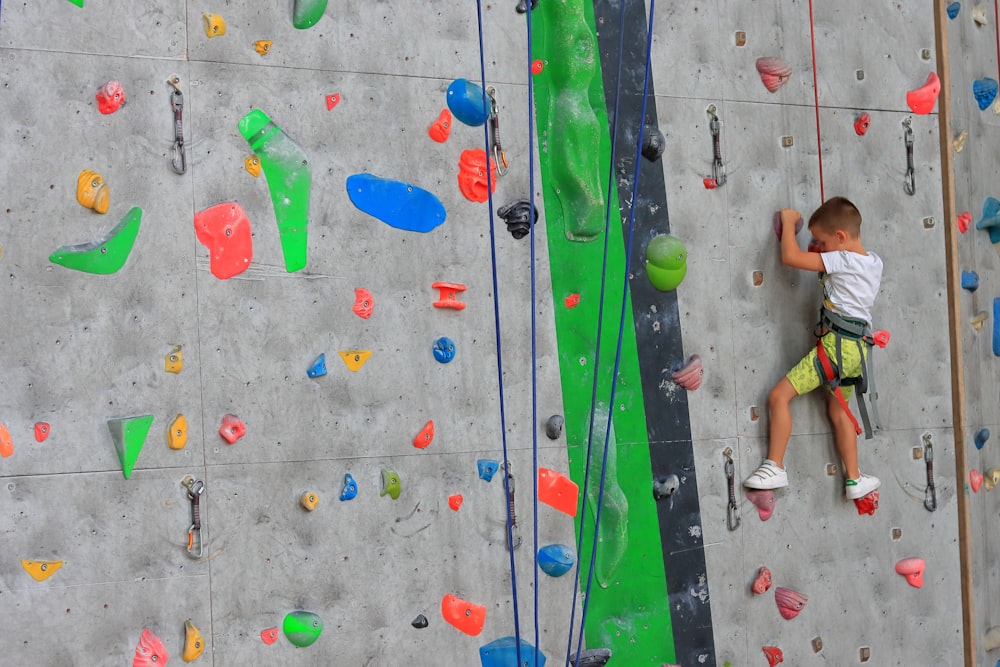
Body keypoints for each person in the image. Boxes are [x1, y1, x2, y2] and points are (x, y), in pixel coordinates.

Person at [743, 197, 883, 500]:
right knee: (839, 412)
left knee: (779, 396)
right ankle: (854, 479)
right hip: (857, 353)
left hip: (835, 350)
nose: (818, 245)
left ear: (841, 238)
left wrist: (790, 221)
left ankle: (775, 466)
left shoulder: (842, 259)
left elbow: (791, 257)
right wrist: (823, 250)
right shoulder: (873, 262)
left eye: (821, 240)